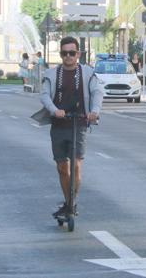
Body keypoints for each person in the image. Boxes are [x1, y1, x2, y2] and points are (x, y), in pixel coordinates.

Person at [39, 36, 103, 218]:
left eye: (72, 53)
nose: (68, 56)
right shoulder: (52, 74)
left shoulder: (88, 73)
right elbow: (44, 96)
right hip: (59, 124)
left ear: (78, 54)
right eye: (64, 53)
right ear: (60, 54)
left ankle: (71, 204)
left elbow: (97, 92)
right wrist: (54, 110)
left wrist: (95, 111)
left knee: (75, 166)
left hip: (79, 123)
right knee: (62, 167)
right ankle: (68, 202)